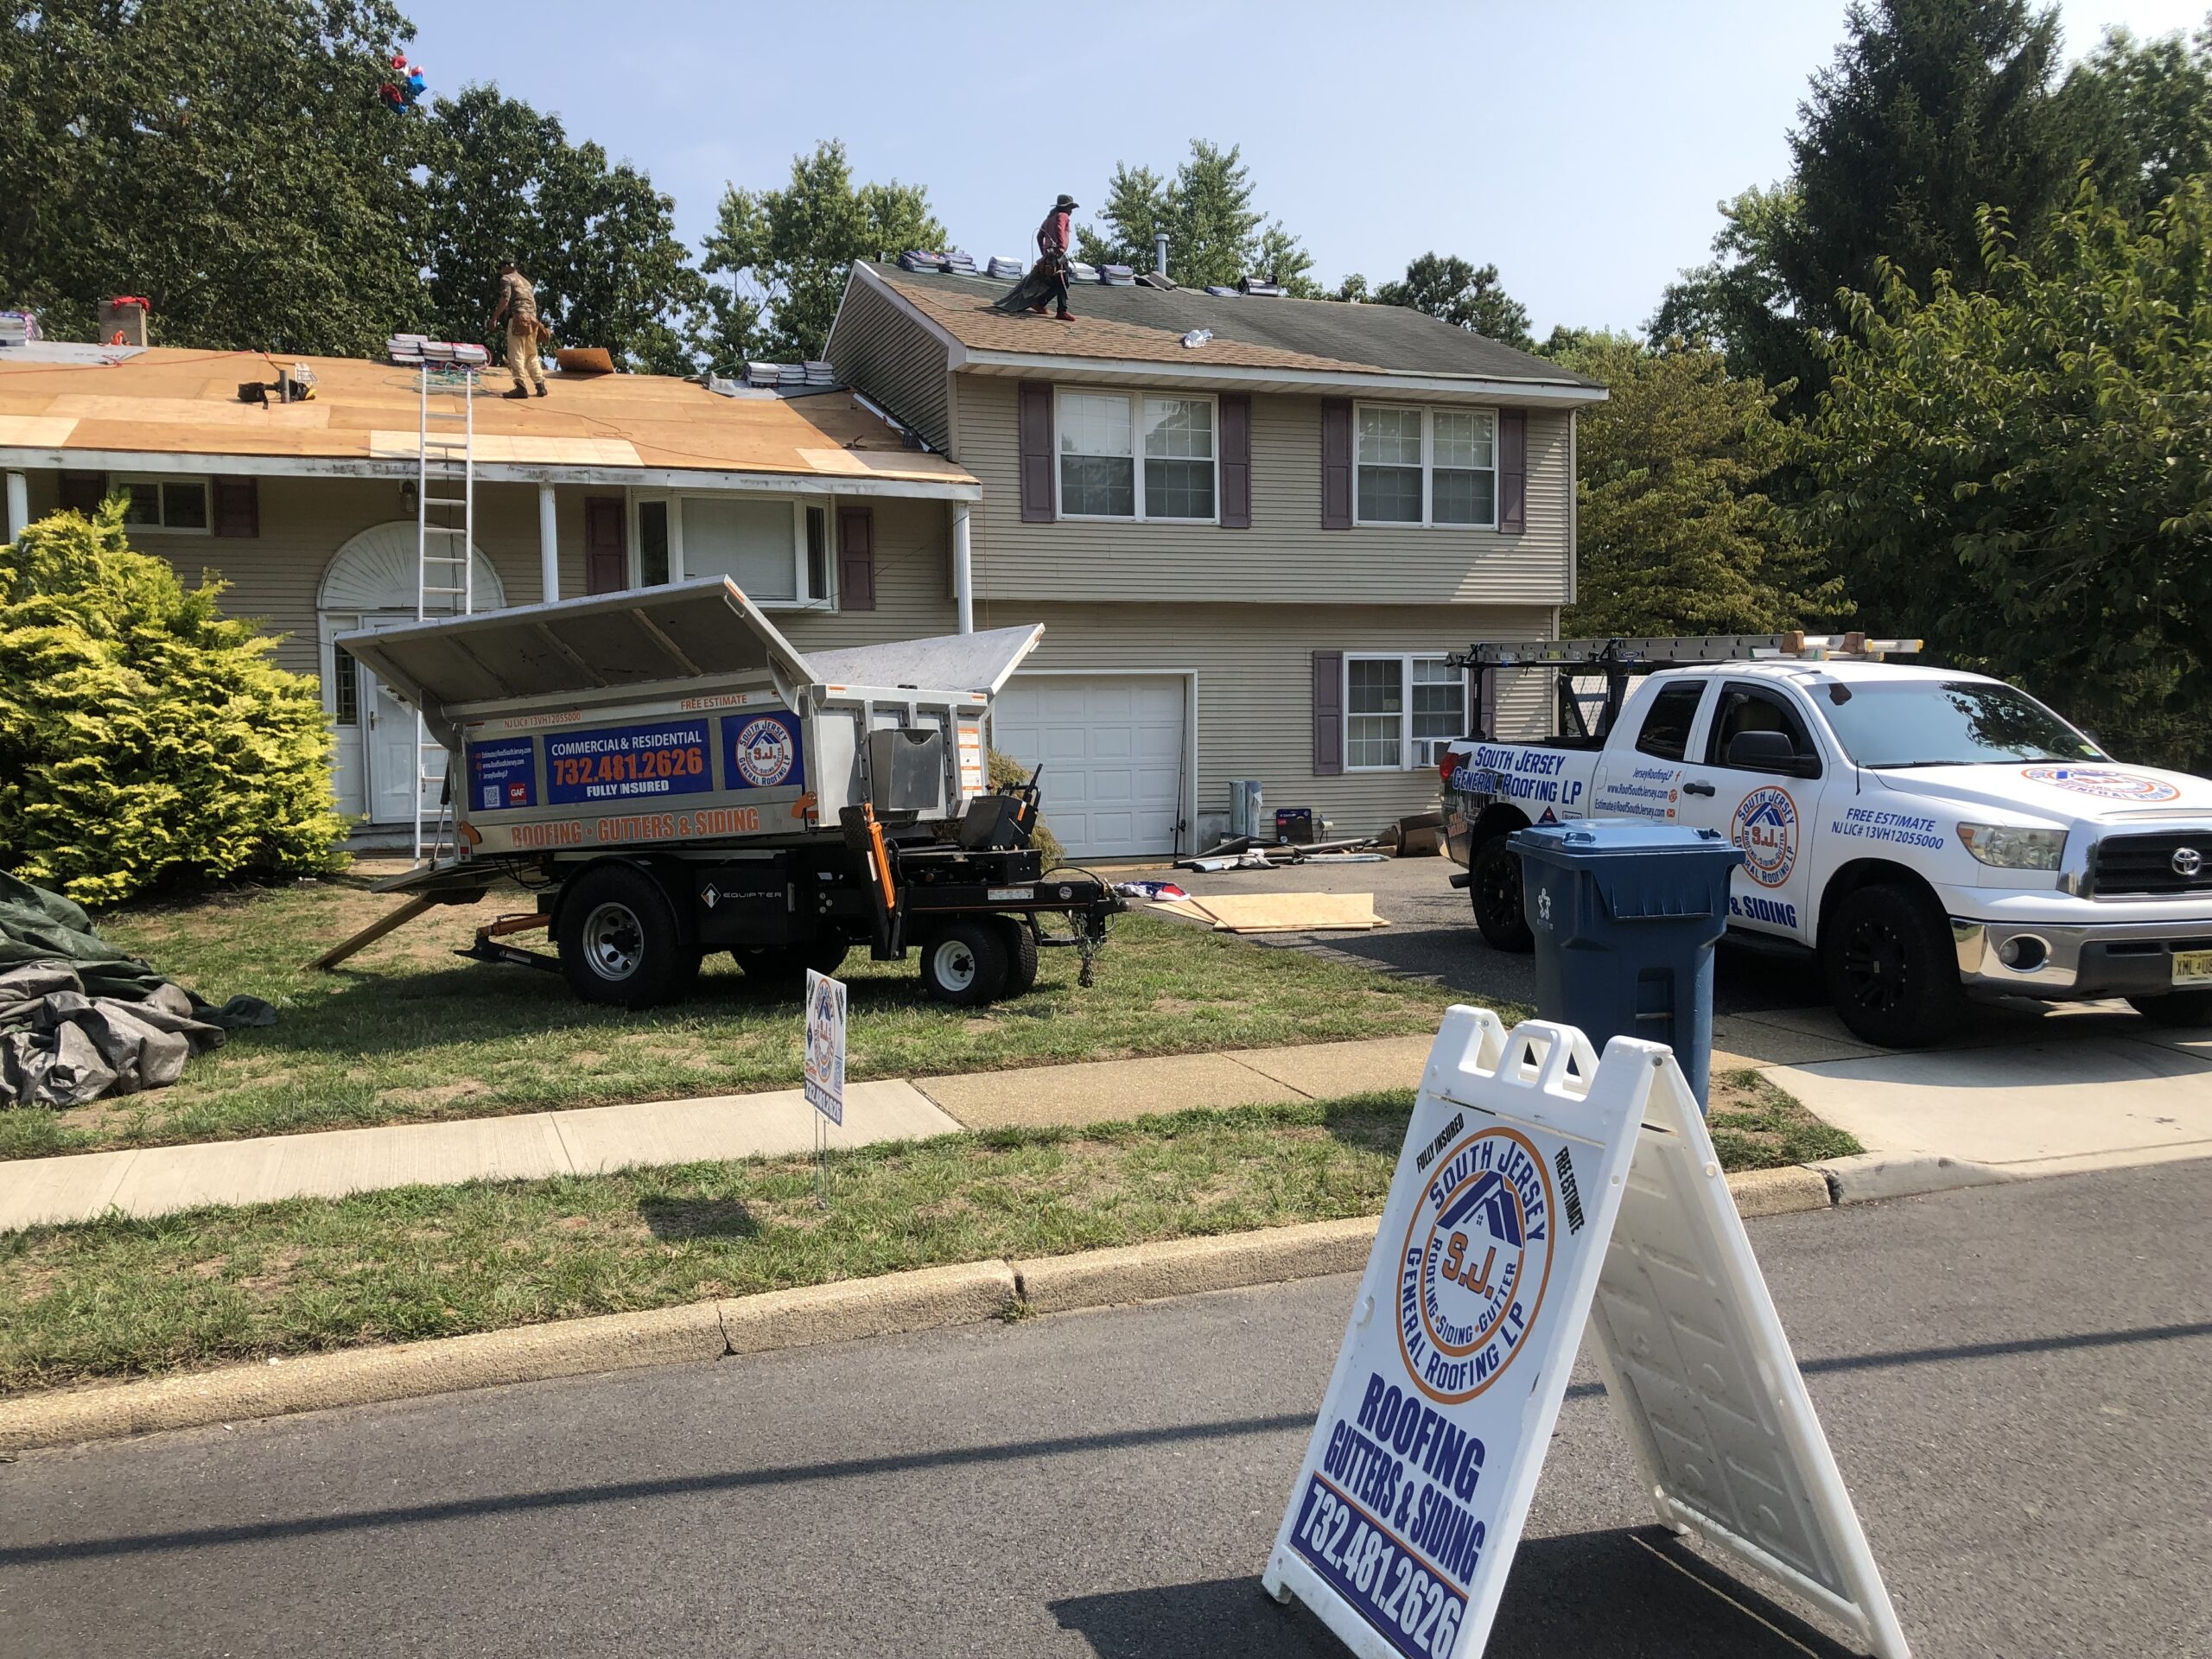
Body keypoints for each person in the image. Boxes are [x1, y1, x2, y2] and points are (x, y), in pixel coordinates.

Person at [992, 194, 1079, 320]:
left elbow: (1039, 236)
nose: (1071, 211)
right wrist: (1060, 247)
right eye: (1070, 208)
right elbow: (1060, 229)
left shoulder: (1049, 219)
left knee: (1057, 283)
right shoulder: (1062, 216)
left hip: (1049, 256)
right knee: (1063, 281)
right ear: (1065, 208)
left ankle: (1041, 303)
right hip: (1057, 255)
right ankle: (1061, 310)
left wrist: (1044, 252)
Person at [490, 260, 548, 398]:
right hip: (532, 320)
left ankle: (520, 386)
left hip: (518, 318)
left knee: (516, 353)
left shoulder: (507, 279)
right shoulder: (526, 282)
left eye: (500, 268)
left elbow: (505, 298)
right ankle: (540, 384)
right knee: (531, 354)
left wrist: (494, 318)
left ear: (506, 267)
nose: (500, 271)